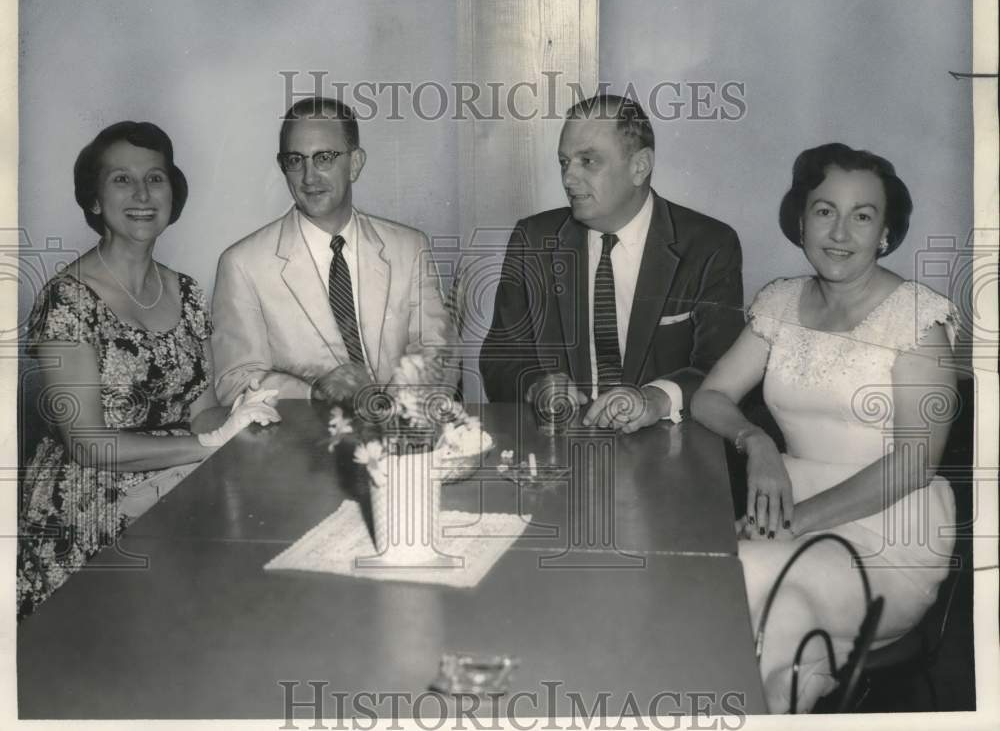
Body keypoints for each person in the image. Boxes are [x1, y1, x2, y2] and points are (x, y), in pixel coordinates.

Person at [692, 143, 958, 712]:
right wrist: (757, 442)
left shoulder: (917, 319)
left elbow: (916, 464)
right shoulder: (780, 303)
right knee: (781, 611)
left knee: (736, 574)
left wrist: (797, 524)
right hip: (787, 514)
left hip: (891, 534)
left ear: (885, 233)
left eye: (863, 216)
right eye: (824, 210)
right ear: (801, 219)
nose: (840, 231)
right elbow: (710, 396)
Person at [19, 121, 280, 619]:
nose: (141, 193)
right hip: (87, 503)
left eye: (155, 178)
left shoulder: (185, 292)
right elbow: (86, 444)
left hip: (173, 477)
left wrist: (239, 418)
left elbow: (202, 411)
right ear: (94, 201)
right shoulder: (67, 300)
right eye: (121, 179)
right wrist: (207, 445)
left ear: (172, 195)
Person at [479, 94, 744, 431]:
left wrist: (656, 398)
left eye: (588, 161)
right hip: (561, 445)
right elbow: (499, 358)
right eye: (564, 162)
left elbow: (723, 368)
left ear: (639, 166)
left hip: (669, 442)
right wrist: (536, 386)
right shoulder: (533, 239)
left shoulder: (709, 245)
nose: (568, 179)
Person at [211, 97, 454, 407]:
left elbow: (437, 351)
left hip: (400, 438)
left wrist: (390, 406)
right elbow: (235, 382)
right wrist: (312, 393)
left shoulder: (410, 248)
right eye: (296, 160)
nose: (309, 177)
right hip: (300, 445)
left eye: (324, 157)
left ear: (355, 164)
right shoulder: (243, 264)